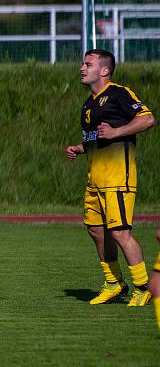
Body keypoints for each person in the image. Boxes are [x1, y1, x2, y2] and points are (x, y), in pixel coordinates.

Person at [65, 49, 155, 307]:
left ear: (104, 70)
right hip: (95, 179)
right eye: (82, 63)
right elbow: (98, 137)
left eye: (88, 64)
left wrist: (118, 132)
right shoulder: (89, 104)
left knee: (119, 233)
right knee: (96, 230)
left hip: (118, 177)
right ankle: (114, 283)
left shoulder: (119, 93)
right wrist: (81, 147)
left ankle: (142, 287)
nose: (82, 68)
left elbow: (148, 119)